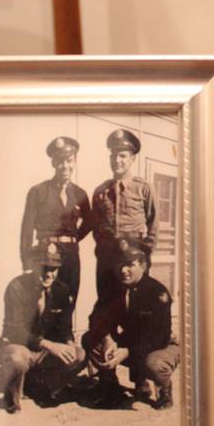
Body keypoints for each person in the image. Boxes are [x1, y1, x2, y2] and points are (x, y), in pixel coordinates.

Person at [82, 241, 179, 410]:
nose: (123, 270)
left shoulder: (157, 292)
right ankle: (110, 388)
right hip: (131, 342)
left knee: (154, 364)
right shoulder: (114, 289)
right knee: (90, 339)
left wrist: (127, 352)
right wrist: (107, 339)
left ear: (143, 265)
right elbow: (96, 318)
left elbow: (157, 336)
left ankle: (163, 387)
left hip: (160, 345)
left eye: (130, 265)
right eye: (120, 264)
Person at [0, 243, 87, 413]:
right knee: (17, 358)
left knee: (79, 354)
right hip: (20, 345)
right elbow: (15, 329)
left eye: (54, 268)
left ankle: (44, 386)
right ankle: (11, 396)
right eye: (44, 267)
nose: (49, 274)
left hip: (44, 350)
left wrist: (69, 342)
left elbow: (64, 326)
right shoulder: (17, 287)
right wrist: (49, 345)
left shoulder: (61, 289)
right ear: (32, 265)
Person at [19, 136, 91, 306]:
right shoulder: (38, 191)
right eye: (59, 161)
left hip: (71, 255)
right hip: (46, 253)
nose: (65, 166)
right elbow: (27, 230)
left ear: (74, 161)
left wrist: (73, 238)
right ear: (53, 163)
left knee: (69, 300)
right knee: (44, 302)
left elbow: (90, 223)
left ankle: (64, 333)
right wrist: (27, 263)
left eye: (69, 160)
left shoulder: (80, 194)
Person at [91, 128, 158, 306]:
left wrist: (145, 253)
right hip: (107, 255)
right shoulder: (100, 191)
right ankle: (108, 334)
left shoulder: (144, 188)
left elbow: (153, 222)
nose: (117, 160)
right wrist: (105, 248)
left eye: (122, 156)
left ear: (132, 158)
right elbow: (96, 226)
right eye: (113, 156)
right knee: (107, 301)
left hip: (134, 252)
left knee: (137, 301)